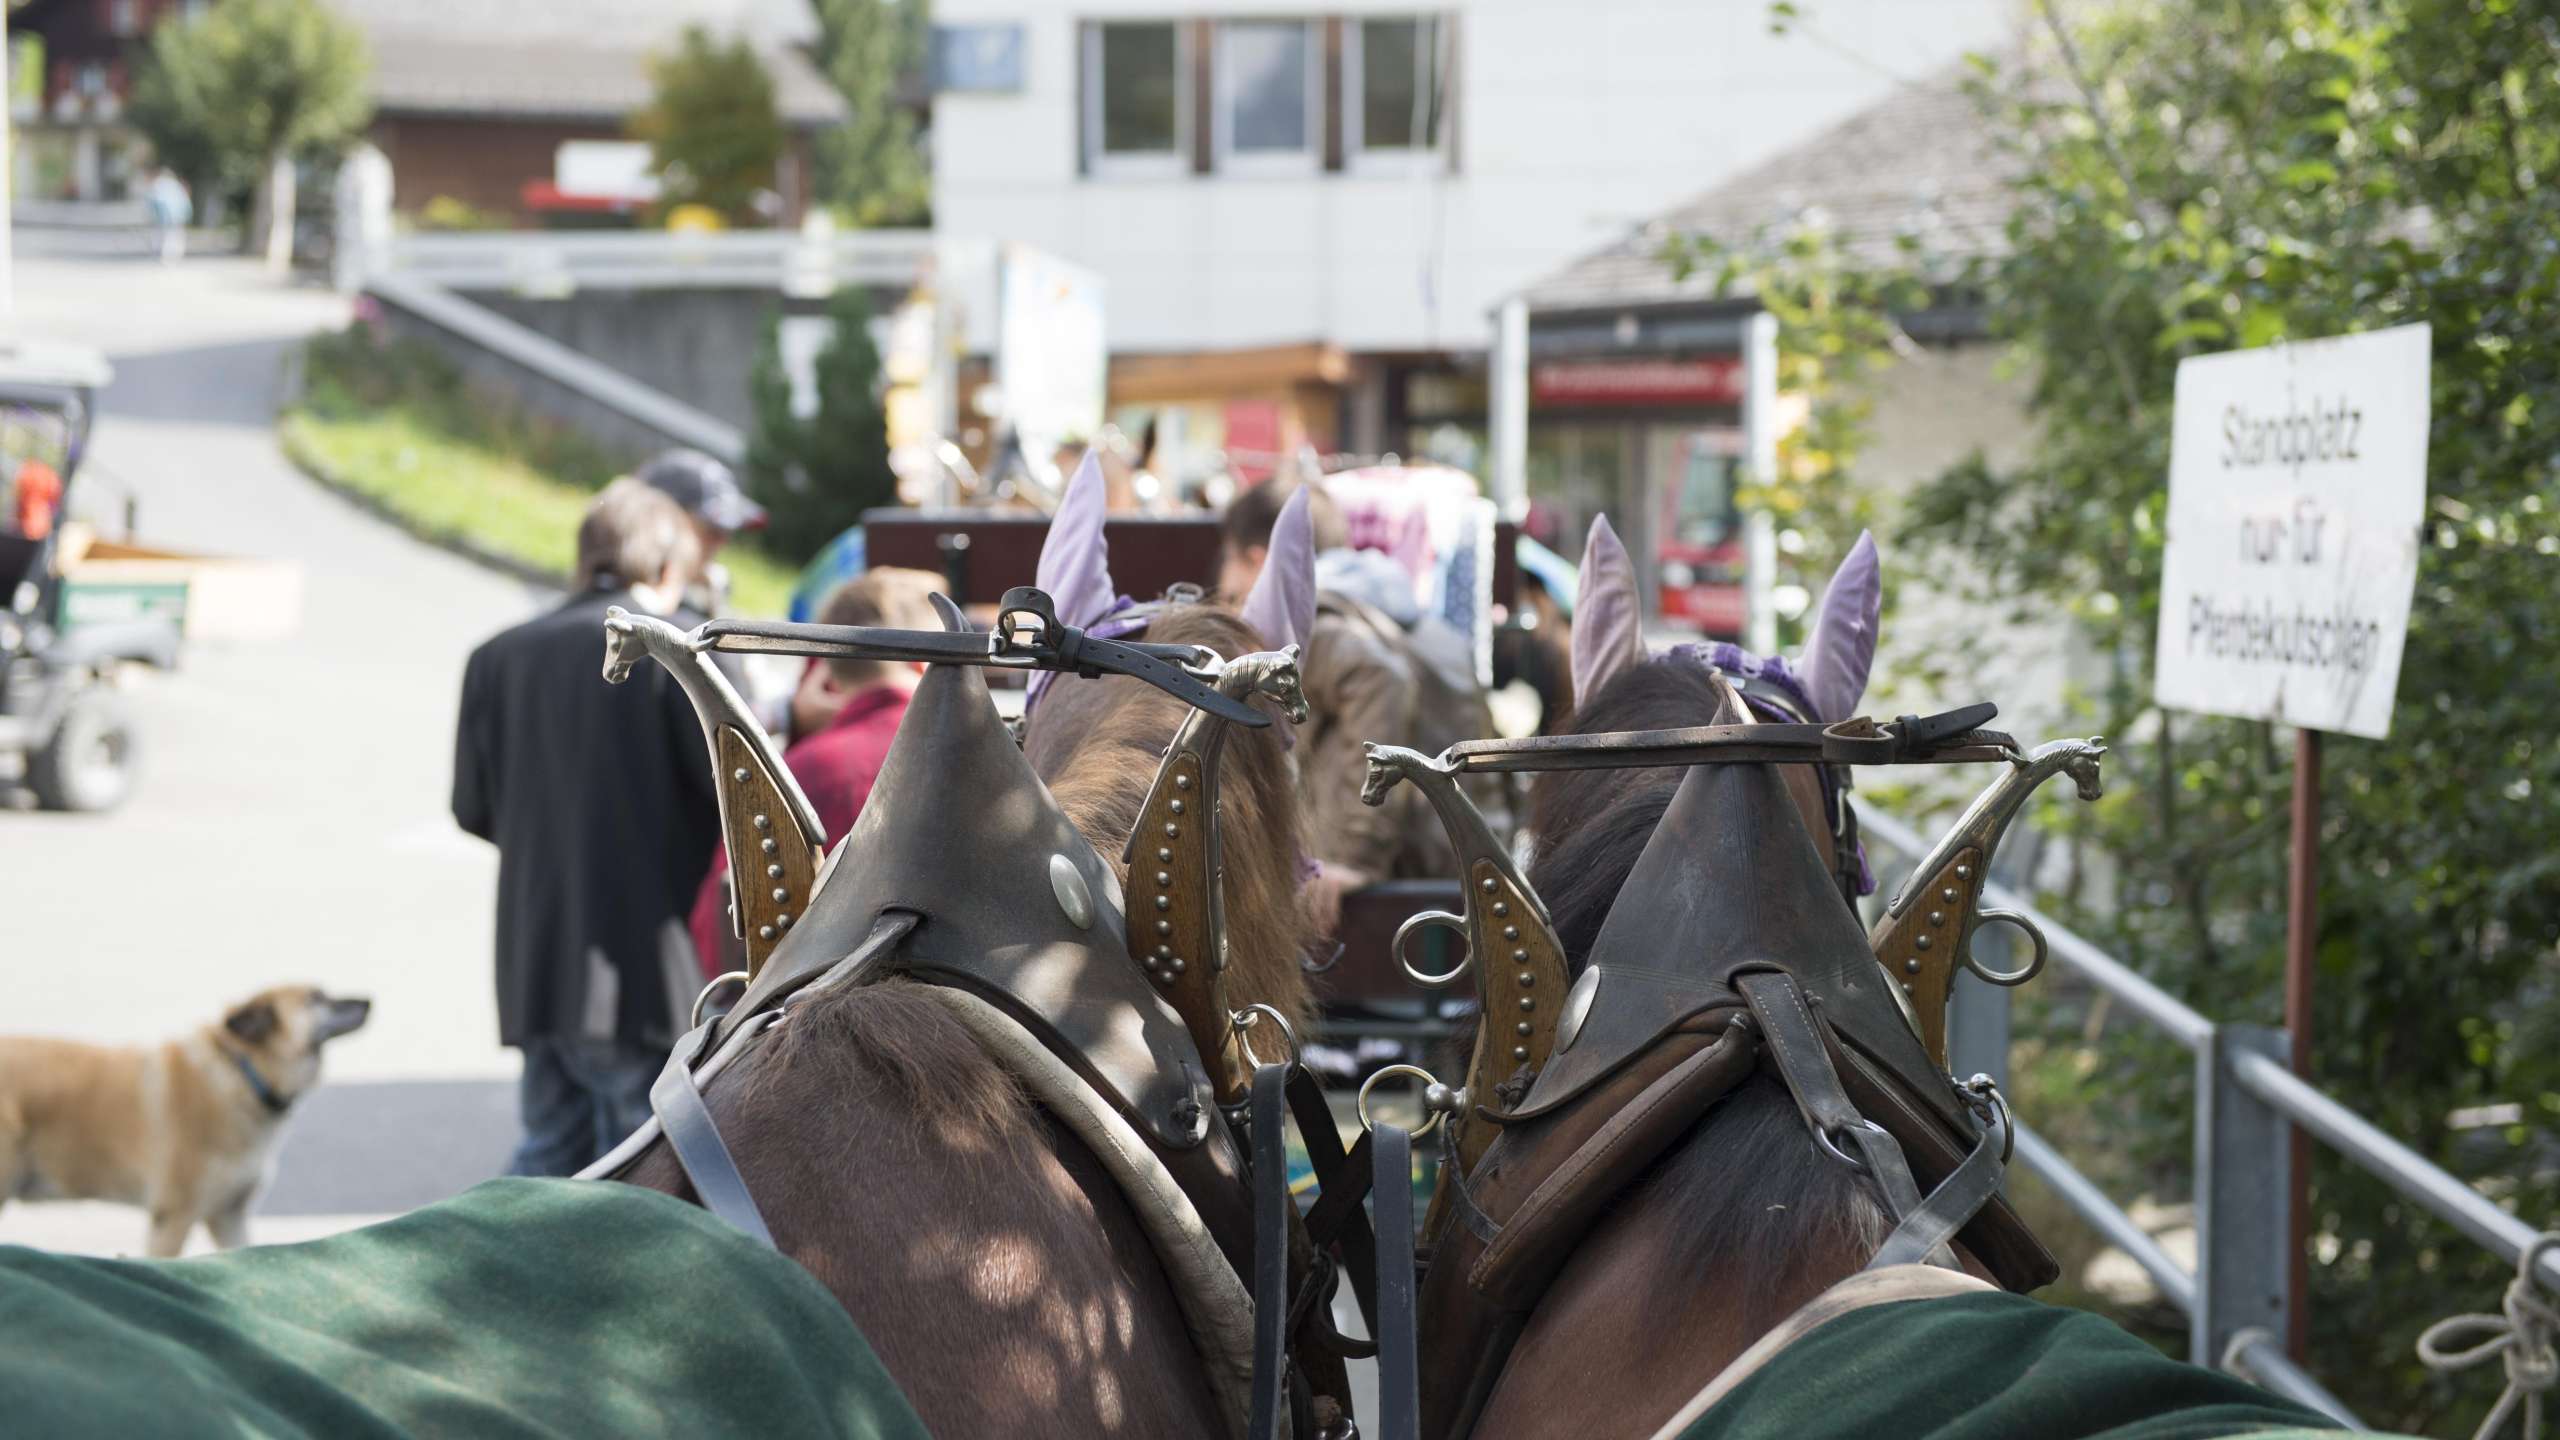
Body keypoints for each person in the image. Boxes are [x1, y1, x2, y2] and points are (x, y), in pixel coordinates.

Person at [452, 480, 723, 1176]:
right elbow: (732, 794)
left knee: (548, 1155)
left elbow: (471, 809)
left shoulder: (496, 657)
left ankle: (496, 1280)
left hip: (536, 959)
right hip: (642, 964)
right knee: (637, 1169)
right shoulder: (670, 653)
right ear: (667, 569)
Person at [1218, 478, 1497, 932]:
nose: (1227, 590)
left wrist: (1347, 856)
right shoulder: (1394, 607)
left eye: (1227, 564)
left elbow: (1380, 678)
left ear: (1257, 560)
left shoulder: (1318, 621)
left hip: (1393, 894)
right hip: (1454, 870)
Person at [685, 568, 945, 978]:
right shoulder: (971, 760)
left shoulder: (799, 769)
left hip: (803, 1017)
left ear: (829, 673)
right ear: (921, 662)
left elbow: (718, 934)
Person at [635, 449, 765, 615]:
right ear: (661, 522)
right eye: (713, 530)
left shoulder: (704, 593)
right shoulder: (619, 595)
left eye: (726, 532)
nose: (722, 542)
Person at [145, 169, 192, 265]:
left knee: (163, 236)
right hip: (176, 216)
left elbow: (152, 202)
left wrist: (153, 216)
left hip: (164, 217)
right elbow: (184, 202)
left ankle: (163, 255)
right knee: (174, 236)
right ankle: (172, 256)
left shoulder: (158, 186)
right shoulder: (176, 186)